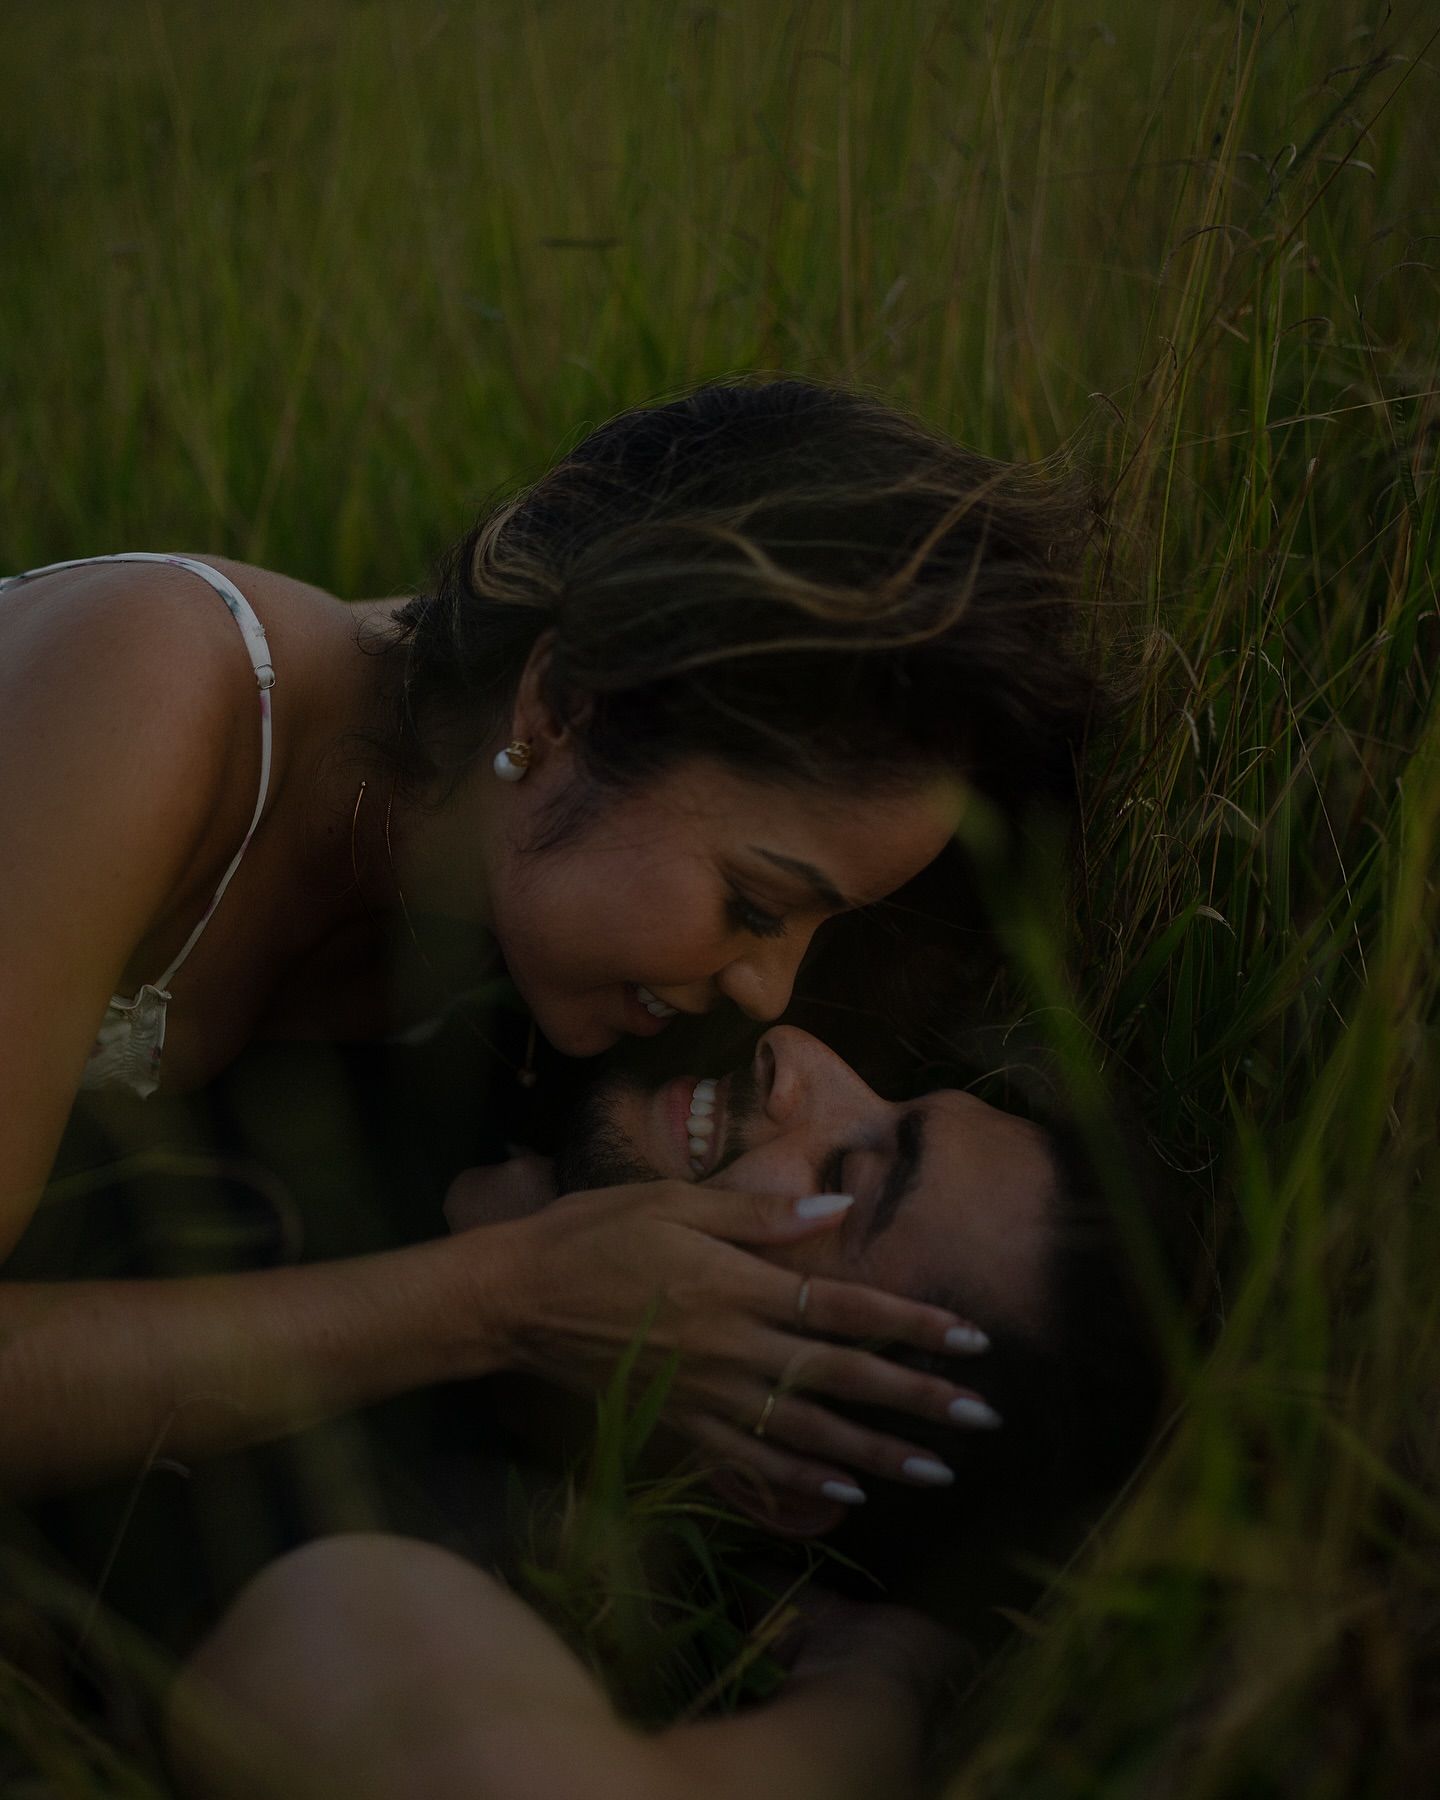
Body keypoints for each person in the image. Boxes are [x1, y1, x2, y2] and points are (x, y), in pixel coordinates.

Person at [0, 376, 1098, 1500]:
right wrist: (498, 1301)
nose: (771, 995)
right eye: (757, 902)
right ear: (564, 708)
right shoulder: (150, 695)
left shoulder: (487, 931)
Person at [165, 1024, 1171, 1800]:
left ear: (781, 1464)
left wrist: (879, 1689)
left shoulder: (394, 1539)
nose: (794, 1059)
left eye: (845, 1183)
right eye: (889, 1098)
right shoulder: (518, 1009)